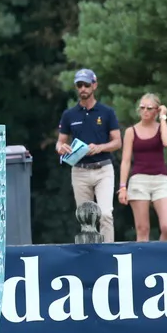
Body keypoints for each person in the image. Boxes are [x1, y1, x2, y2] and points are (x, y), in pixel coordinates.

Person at [56, 68, 121, 244]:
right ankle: (90, 254)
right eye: (79, 85)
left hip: (103, 168)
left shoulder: (106, 112)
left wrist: (100, 147)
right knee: (85, 217)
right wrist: (62, 148)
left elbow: (117, 142)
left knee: (105, 214)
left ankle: (108, 252)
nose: (83, 88)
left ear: (94, 85)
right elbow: (60, 142)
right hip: (80, 170)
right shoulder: (69, 114)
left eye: (86, 84)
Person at [117, 93, 167, 241]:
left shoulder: (161, 127)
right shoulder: (131, 131)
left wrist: (163, 118)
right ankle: (143, 262)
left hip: (160, 179)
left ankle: (163, 259)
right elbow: (125, 160)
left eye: (149, 108)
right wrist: (123, 186)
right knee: (143, 228)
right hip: (139, 180)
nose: (145, 111)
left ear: (156, 110)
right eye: (142, 108)